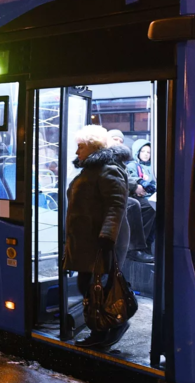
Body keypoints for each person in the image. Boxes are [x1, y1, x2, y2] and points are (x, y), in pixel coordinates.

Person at [64, 125, 132, 349]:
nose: (77, 152)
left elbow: (116, 205)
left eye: (80, 147)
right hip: (89, 241)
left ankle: (108, 328)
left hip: (101, 242)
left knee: (98, 288)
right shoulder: (92, 169)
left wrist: (106, 238)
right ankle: (102, 329)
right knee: (91, 287)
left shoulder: (106, 170)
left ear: (93, 147)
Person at [107, 132, 154, 263]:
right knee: (134, 204)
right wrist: (135, 186)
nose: (118, 142)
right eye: (114, 139)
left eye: (120, 140)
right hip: (109, 194)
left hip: (121, 190)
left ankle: (144, 245)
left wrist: (138, 184)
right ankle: (134, 249)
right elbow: (115, 177)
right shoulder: (107, 156)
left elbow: (125, 175)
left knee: (150, 206)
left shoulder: (119, 159)